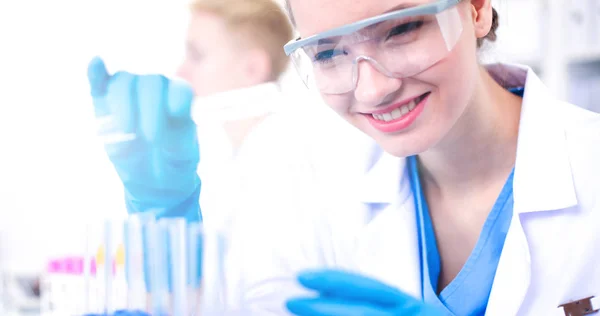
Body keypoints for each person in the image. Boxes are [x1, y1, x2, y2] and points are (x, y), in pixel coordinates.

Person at [225, 0, 600, 315]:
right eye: (328, 52)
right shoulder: (310, 186)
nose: (372, 91)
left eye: (401, 30)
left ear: (476, 9)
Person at [87, 0, 294, 224]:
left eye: (197, 56)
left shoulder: (286, 165)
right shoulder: (232, 164)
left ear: (252, 68)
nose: (181, 71)